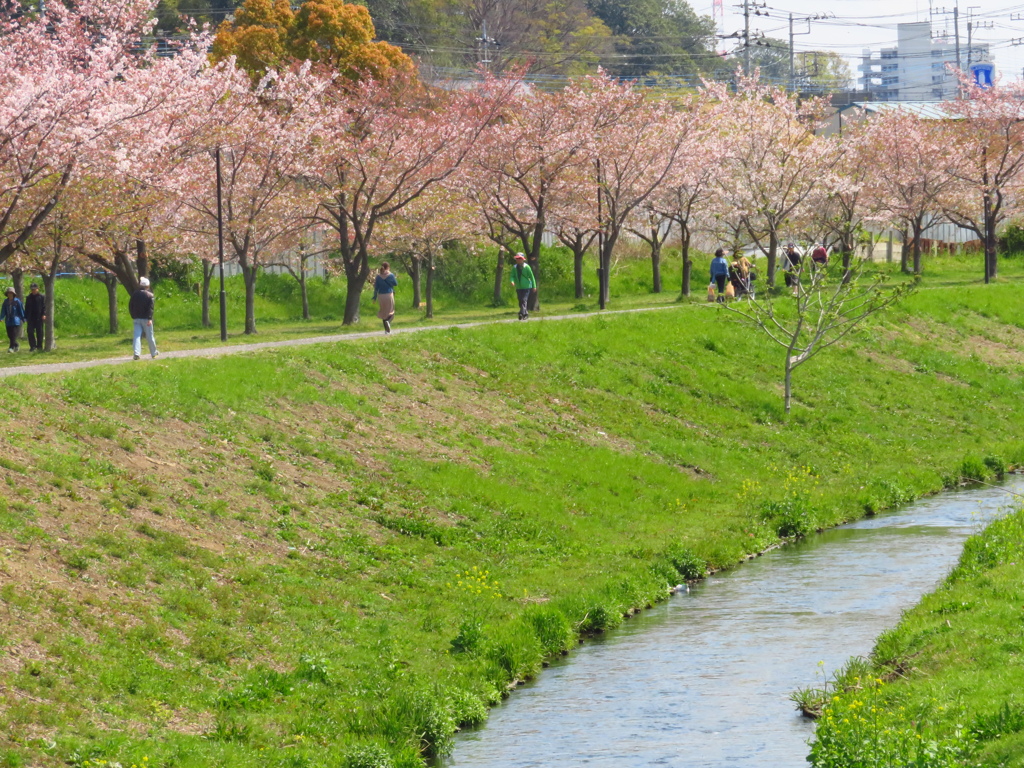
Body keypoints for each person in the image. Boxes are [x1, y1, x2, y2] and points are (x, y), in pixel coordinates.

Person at [128, 276, 158, 360]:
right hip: (146, 319)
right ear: (147, 286)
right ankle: (153, 353)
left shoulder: (134, 294)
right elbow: (150, 308)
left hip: (136, 318)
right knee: (150, 336)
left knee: (137, 336)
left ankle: (136, 353)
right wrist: (150, 318)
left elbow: (130, 305)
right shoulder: (150, 295)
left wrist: (133, 315)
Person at [372, 262, 398, 335]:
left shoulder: (378, 276)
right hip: (389, 294)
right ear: (388, 267)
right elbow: (395, 283)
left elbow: (376, 288)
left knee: (383, 312)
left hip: (381, 295)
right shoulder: (390, 275)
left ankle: (387, 331)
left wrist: (374, 297)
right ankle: (388, 322)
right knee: (391, 312)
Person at [510, 252, 536, 320]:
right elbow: (512, 275)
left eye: (520, 258)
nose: (518, 260)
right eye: (517, 258)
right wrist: (512, 281)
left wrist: (534, 286)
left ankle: (521, 313)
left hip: (526, 286)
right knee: (520, 300)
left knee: (524, 300)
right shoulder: (514, 267)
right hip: (519, 287)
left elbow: (531, 276)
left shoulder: (526, 267)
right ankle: (525, 313)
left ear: (523, 259)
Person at [0, 286, 25, 353]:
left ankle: (11, 348)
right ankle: (16, 345)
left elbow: (21, 310)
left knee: (13, 334)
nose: (10, 294)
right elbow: (3, 310)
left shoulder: (17, 301)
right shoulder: (6, 302)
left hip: (15, 320)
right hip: (8, 320)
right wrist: (1, 317)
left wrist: (23, 318)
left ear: (13, 294)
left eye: (11, 293)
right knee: (9, 335)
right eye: (8, 293)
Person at [24, 283, 45, 352]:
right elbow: (26, 308)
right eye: (32, 289)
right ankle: (32, 346)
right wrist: (26, 317)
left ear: (37, 289)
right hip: (31, 317)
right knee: (30, 332)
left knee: (40, 332)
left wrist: (44, 314)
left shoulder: (41, 297)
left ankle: (39, 346)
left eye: (35, 289)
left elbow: (44, 306)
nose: (33, 290)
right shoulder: (29, 297)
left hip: (39, 317)